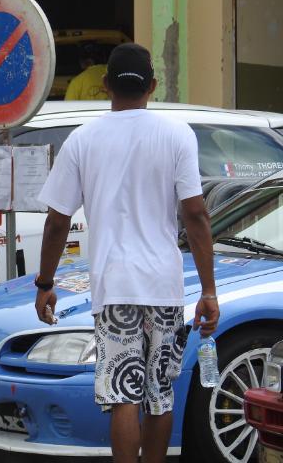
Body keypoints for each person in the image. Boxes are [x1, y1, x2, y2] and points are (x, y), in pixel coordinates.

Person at [33, 43, 219, 463]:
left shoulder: (82, 139)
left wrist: (45, 283)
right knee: (159, 395)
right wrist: (208, 290)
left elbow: (57, 222)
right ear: (153, 85)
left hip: (113, 287)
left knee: (124, 396)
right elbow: (195, 214)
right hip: (164, 286)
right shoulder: (177, 135)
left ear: (105, 85)